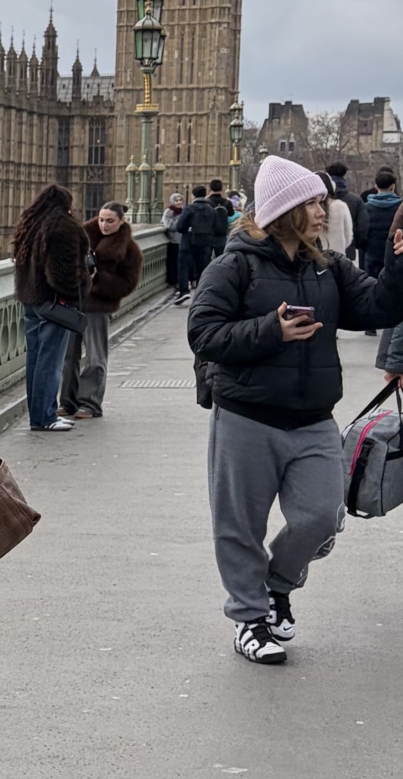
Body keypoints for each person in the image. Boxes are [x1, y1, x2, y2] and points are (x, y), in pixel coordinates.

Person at [187, 154, 403, 664]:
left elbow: (380, 308)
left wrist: (397, 264)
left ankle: (276, 586)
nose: (323, 211)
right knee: (240, 525)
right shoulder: (233, 265)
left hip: (312, 420)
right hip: (247, 417)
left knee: (321, 516)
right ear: (286, 210)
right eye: (314, 202)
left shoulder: (328, 267)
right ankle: (249, 618)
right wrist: (271, 330)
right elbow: (203, 333)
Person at [12, 183, 89, 432]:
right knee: (50, 362)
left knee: (36, 360)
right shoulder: (62, 227)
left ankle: (40, 414)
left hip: (32, 301)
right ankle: (45, 417)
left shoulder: (31, 224)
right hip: (54, 303)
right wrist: (76, 291)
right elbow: (61, 272)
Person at [59, 199, 142, 420]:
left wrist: (98, 280)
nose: (104, 225)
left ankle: (90, 403)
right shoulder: (81, 239)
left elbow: (128, 284)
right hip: (73, 303)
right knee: (68, 356)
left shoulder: (129, 250)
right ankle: (66, 402)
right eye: (101, 220)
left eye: (110, 221)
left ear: (121, 221)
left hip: (97, 307)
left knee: (95, 358)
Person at [178, 185, 227, 298]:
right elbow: (217, 227)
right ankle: (202, 292)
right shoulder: (211, 209)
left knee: (183, 267)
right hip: (205, 243)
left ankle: (184, 292)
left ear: (193, 195)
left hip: (188, 243)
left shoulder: (189, 208)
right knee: (203, 268)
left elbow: (180, 227)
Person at [358, 169, 401, 275]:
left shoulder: (366, 208)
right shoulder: (400, 207)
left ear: (376, 186)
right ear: (392, 187)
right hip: (396, 255)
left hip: (372, 255)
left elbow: (362, 233)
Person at [164, 191, 188, 302]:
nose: (178, 202)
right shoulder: (169, 212)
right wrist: (180, 223)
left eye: (180, 200)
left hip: (183, 241)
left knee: (182, 263)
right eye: (176, 200)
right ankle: (173, 281)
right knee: (173, 262)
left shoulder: (184, 211)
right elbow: (169, 225)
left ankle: (181, 282)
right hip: (173, 241)